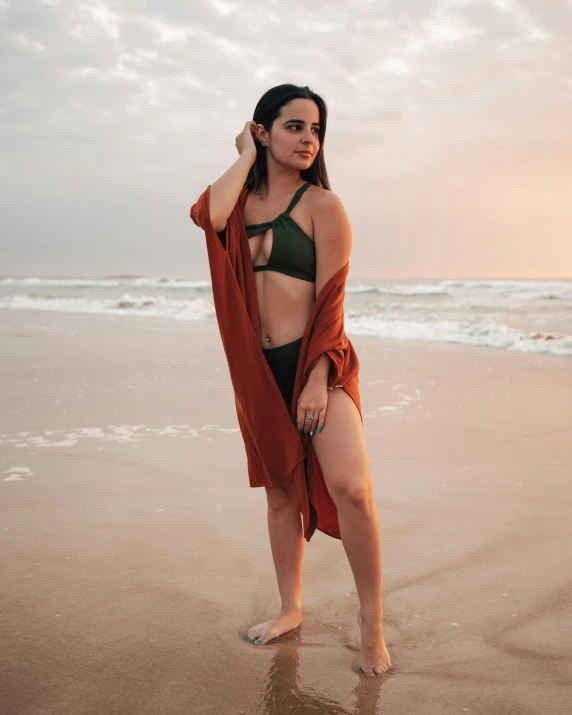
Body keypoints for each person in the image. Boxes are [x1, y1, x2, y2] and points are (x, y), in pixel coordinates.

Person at [197, 84, 391, 677]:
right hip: (259, 376)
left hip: (320, 366)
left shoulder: (323, 207)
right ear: (263, 132)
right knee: (281, 493)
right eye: (293, 127)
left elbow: (331, 304)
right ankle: (290, 608)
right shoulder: (237, 198)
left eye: (315, 130)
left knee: (351, 488)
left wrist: (316, 378)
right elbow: (210, 215)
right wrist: (243, 157)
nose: (308, 139)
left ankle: (371, 624)